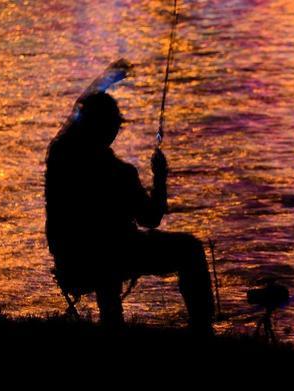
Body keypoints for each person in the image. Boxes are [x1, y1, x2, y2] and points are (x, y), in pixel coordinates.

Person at [45, 91, 214, 335]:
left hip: (70, 261)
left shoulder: (60, 158)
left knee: (105, 253)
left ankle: (112, 322)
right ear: (109, 128)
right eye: (115, 125)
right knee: (190, 249)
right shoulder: (120, 173)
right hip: (113, 255)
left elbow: (69, 126)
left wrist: (107, 79)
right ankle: (202, 329)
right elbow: (151, 218)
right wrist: (160, 177)